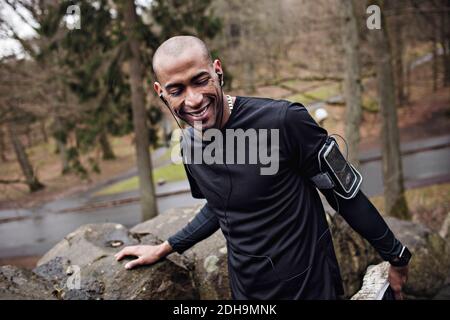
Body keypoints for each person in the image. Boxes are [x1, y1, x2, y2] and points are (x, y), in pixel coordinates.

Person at [115, 35, 411, 300]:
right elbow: (220, 208)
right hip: (247, 292)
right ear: (161, 92)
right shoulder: (188, 146)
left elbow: (345, 195)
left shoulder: (285, 120)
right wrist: (165, 248)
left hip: (311, 286)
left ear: (218, 70)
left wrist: (396, 257)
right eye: (177, 89)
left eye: (200, 80)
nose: (193, 99)